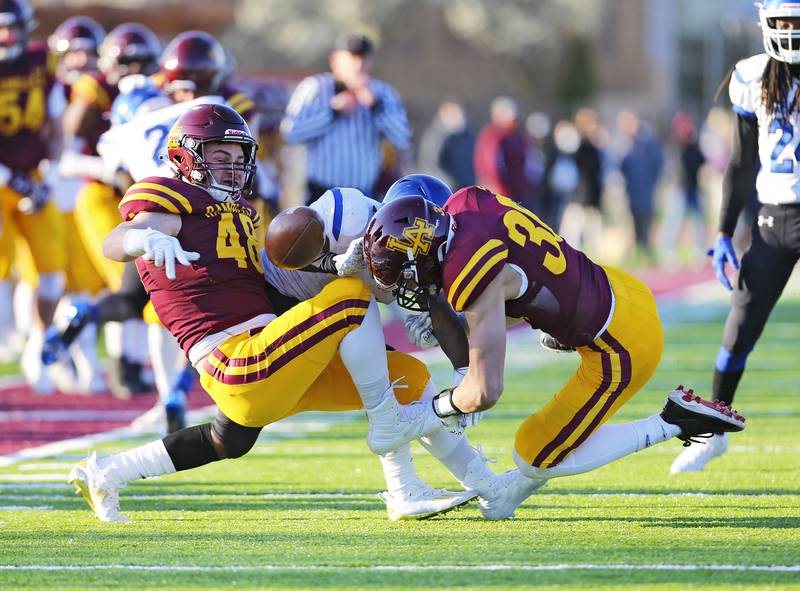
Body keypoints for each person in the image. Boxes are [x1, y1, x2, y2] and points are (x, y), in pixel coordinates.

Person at [67, 103, 445, 523]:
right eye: (218, 156)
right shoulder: (170, 197)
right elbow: (116, 240)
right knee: (350, 297)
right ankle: (403, 485)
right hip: (231, 354)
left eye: (237, 157)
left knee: (400, 379)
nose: (231, 167)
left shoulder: (244, 211)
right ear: (183, 156)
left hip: (266, 339)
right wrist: (144, 241)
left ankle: (108, 473)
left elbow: (266, 289)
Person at [363, 187, 747, 520]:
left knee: (533, 453)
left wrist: (428, 413)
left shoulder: (471, 271)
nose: (406, 285)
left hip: (622, 346)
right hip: (621, 287)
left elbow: (484, 391)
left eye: (405, 272)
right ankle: (501, 500)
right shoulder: (468, 202)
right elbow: (514, 279)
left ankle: (673, 420)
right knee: (516, 484)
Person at [261, 185, 502, 520]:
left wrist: (466, 373)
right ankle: (412, 489)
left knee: (408, 382)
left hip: (335, 317)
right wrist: (331, 263)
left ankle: (482, 484)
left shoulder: (409, 241)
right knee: (368, 327)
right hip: (280, 308)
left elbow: (436, 303)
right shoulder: (349, 215)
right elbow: (281, 245)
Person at [671, 0, 800, 473]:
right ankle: (714, 430)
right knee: (737, 332)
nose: (791, 32)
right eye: (784, 21)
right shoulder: (751, 76)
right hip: (777, 219)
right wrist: (724, 231)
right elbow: (743, 162)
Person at [0, 0, 67, 392]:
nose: (7, 36)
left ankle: (38, 344)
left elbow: (57, 126)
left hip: (34, 175)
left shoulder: (41, 61)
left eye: (12, 27)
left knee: (53, 271)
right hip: (6, 179)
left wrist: (52, 174)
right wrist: (14, 180)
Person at [280, 32, 411, 203]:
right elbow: (290, 133)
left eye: (364, 58)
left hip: (365, 195)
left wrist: (376, 108)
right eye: (352, 57)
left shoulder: (383, 92)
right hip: (321, 194)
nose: (359, 64)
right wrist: (332, 113)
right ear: (335, 60)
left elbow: (402, 138)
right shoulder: (315, 88)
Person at [617, 109, 664, 264]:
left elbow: (657, 163)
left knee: (646, 222)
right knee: (635, 223)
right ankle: (639, 252)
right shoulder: (627, 144)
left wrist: (651, 182)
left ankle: (647, 253)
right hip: (633, 191)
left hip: (645, 190)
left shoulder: (647, 142)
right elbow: (622, 167)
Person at [474, 96, 535, 207]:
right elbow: (492, 167)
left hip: (519, 192)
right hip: (502, 195)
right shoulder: (493, 136)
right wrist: (501, 191)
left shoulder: (518, 136)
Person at [418, 99, 476, 190]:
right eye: (455, 114)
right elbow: (431, 167)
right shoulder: (435, 137)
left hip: (467, 190)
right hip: (446, 192)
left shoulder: (467, 136)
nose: (461, 117)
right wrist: (452, 185)